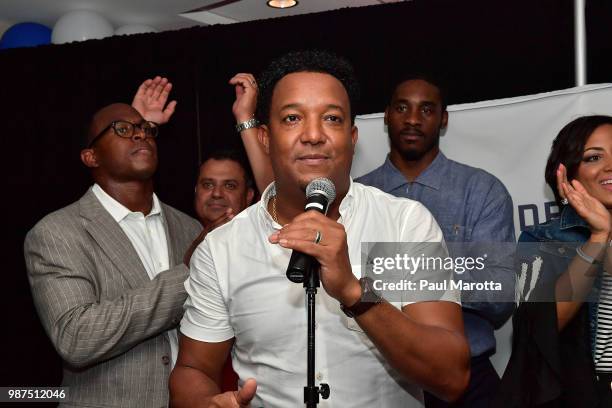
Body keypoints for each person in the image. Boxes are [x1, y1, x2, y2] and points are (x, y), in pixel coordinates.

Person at [169, 50, 470, 408]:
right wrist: (202, 402)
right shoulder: (222, 249)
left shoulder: (404, 224)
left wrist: (356, 294)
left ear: (353, 136)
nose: (313, 135)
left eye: (331, 118)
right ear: (265, 138)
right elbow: (193, 370)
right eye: (293, 118)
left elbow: (452, 376)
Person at [24, 103, 201, 407]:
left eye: (146, 129)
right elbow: (76, 337)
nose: (140, 135)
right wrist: (188, 273)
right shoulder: (57, 233)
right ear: (90, 156)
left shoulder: (190, 228)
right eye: (123, 129)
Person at [355, 74, 516, 408]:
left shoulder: (482, 190)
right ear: (386, 116)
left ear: (443, 119)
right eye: (402, 108)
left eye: (426, 109)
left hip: (467, 381)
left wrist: (399, 272)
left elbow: (500, 293)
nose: (413, 119)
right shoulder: (355, 195)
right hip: (374, 379)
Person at [496, 115, 612, 407]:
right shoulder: (540, 239)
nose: (610, 166)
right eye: (594, 157)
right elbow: (541, 327)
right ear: (566, 172)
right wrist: (599, 236)